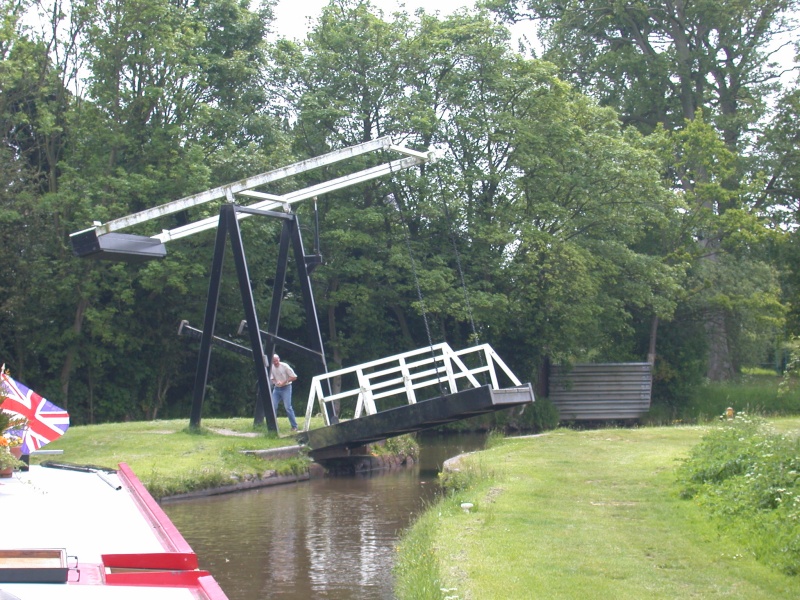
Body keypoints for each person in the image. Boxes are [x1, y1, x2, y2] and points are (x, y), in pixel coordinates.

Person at [270, 354, 298, 432]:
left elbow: (294, 377)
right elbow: (272, 378)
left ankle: (294, 426)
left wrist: (284, 382)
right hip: (277, 388)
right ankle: (273, 427)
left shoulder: (285, 366)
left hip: (286, 387)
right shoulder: (271, 367)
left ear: (279, 359)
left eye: (276, 360)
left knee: (288, 407)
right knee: (273, 406)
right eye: (273, 361)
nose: (275, 362)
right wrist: (276, 382)